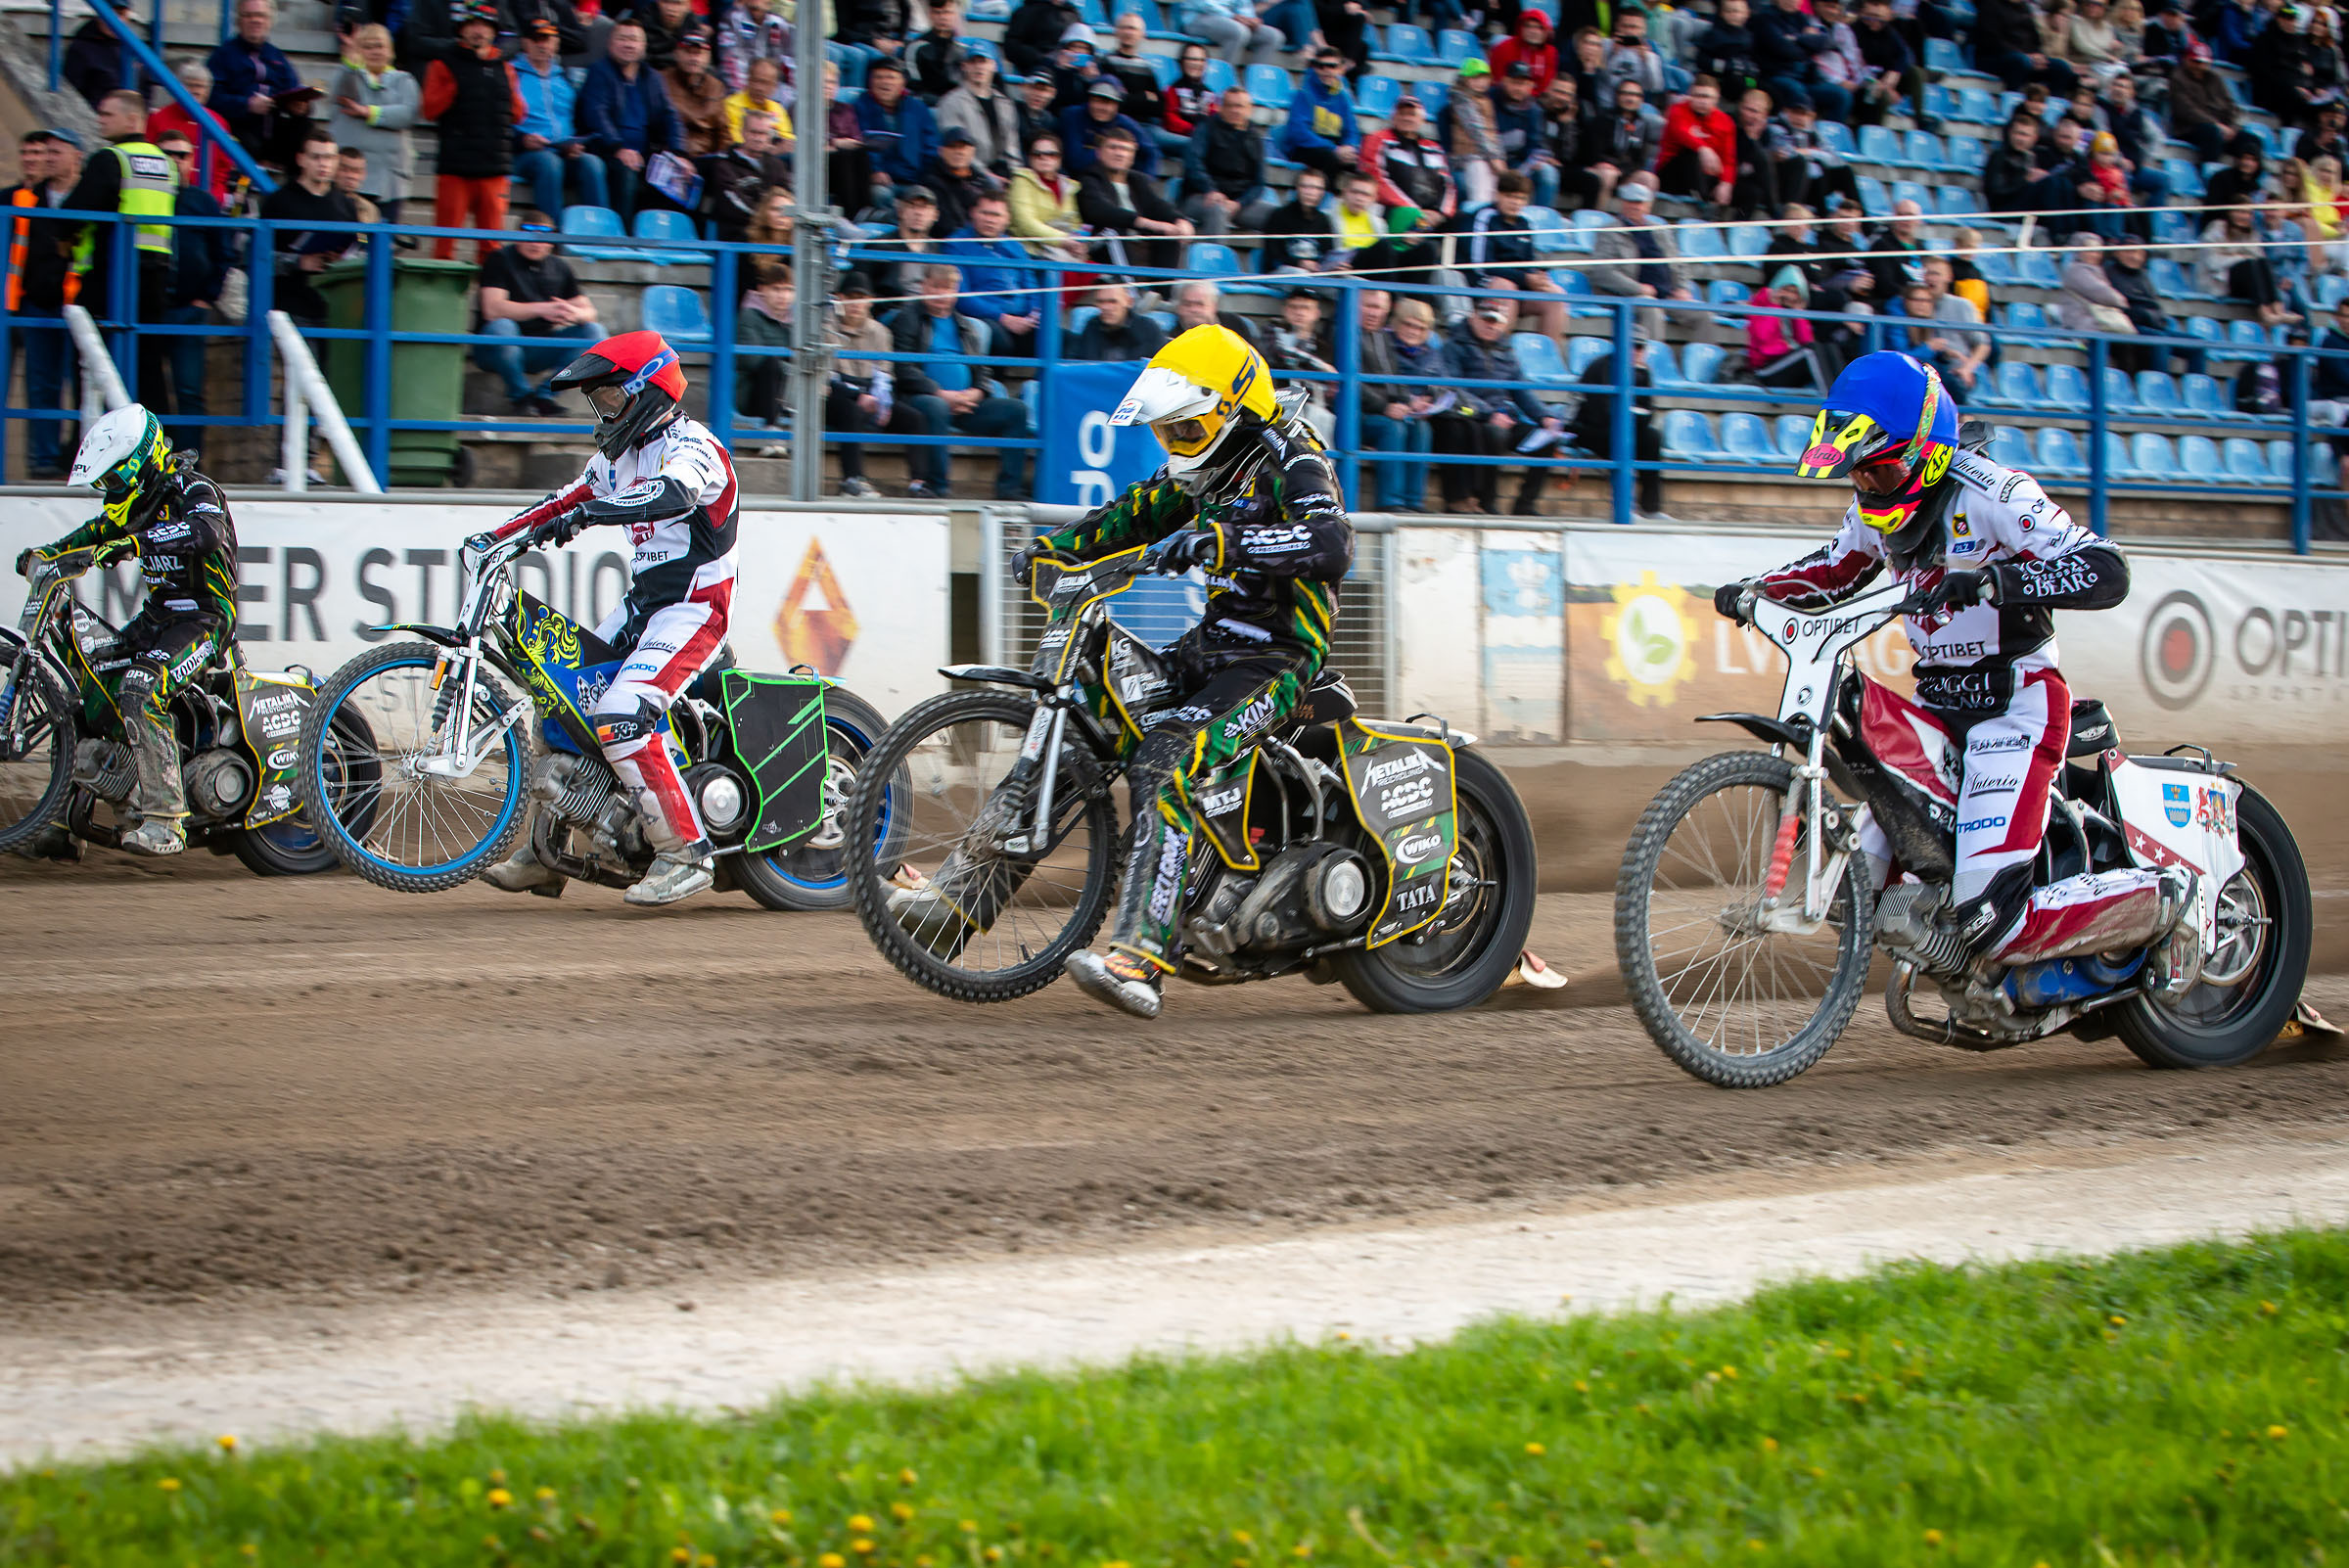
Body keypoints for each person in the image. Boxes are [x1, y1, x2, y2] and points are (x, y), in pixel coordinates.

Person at [1715, 351, 2194, 988]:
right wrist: (1755, 589)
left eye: (1881, 469)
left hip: (2016, 704)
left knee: (1987, 917)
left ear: (1924, 450)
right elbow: (1831, 572)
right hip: (1938, 710)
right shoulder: (1872, 505)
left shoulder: (1996, 493)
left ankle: (2161, 902)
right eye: (1859, 475)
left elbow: (2107, 569)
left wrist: (1998, 581)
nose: (1869, 486)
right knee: (1860, 887)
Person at [974, 327, 1352, 1019]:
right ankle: (958, 908)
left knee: (1167, 761)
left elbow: (1331, 545)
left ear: (1236, 404)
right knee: (1094, 718)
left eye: (1190, 426)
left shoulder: (1294, 457)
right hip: (1208, 648)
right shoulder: (1209, 469)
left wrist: (1226, 538)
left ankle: (1143, 960)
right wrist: (1053, 549)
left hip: (1280, 657)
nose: (1179, 441)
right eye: (1170, 430)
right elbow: (1133, 515)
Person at [474, 331, 742, 907]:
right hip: (644, 605)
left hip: (697, 609)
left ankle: (685, 852)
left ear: (646, 390)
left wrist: (592, 513)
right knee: (560, 695)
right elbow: (562, 502)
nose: (603, 412)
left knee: (622, 713)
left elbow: (669, 495)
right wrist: (493, 540)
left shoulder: (696, 448)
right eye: (598, 402)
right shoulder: (616, 458)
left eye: (611, 399)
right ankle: (552, 854)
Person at [15, 405, 235, 853]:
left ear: (141, 461)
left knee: (138, 688)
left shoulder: (195, 489)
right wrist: (46, 554)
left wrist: (135, 543)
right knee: (82, 692)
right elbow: (91, 535)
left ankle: (167, 820)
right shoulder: (135, 504)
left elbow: (206, 532)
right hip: (158, 618)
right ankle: (61, 827)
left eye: (113, 480)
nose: (109, 491)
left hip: (206, 618)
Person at [64, 91, 178, 409]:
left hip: (109, 275)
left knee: (93, 366)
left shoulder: (110, 159)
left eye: (107, 114)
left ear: (132, 119)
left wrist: (62, 237)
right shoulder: (168, 164)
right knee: (149, 368)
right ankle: (157, 449)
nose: (100, 119)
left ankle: (94, 447)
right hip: (155, 277)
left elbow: (75, 211)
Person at [888, 263, 1034, 499]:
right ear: (924, 287)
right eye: (935, 287)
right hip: (924, 399)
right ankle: (938, 486)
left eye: (947, 289)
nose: (941, 294)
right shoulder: (907, 319)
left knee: (1016, 410)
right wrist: (940, 393)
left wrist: (977, 392)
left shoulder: (965, 325)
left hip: (966, 403)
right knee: (935, 408)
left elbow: (981, 371)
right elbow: (903, 369)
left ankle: (1009, 489)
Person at [1433, 300, 1565, 515]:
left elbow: (1521, 390)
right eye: (1486, 319)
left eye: (1497, 322)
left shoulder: (1506, 350)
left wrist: (1545, 418)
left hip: (1503, 417)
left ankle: (1525, 503)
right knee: (1493, 434)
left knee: (1548, 439)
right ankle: (1487, 501)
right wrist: (1489, 414)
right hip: (1472, 416)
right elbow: (1454, 389)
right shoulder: (1454, 347)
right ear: (1473, 317)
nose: (1491, 326)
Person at [9, 129, 86, 481]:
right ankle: (43, 459)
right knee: (42, 384)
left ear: (76, 157)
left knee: (82, 384)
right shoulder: (28, 198)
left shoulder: (87, 196)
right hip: (36, 303)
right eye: (46, 152)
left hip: (78, 305)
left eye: (56, 151)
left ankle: (79, 458)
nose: (48, 158)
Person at [149, 131, 229, 463]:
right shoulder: (148, 198)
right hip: (149, 310)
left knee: (189, 390)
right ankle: (153, 465)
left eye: (182, 155)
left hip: (188, 311)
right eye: (168, 154)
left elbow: (224, 252)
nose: (175, 161)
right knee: (149, 395)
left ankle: (190, 465)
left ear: (192, 160)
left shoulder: (202, 201)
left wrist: (207, 296)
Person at [421, 7, 525, 255]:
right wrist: (459, 86)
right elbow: (429, 109)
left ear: (493, 31)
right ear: (461, 30)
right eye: (472, 25)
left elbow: (519, 113)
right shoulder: (442, 64)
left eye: (485, 26)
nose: (478, 31)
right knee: (445, 244)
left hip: (494, 169)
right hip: (456, 169)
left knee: (491, 247)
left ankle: (490, 295)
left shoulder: (506, 68)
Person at [474, 211, 601, 413]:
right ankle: (522, 397)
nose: (536, 242)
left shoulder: (559, 266)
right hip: (495, 349)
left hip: (539, 348)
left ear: (552, 240)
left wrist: (573, 313)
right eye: (529, 232)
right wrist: (543, 308)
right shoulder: (499, 258)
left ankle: (545, 396)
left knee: (595, 333)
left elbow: (590, 313)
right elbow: (492, 310)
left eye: (544, 235)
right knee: (502, 326)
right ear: (518, 234)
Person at [578, 20, 686, 218]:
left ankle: (663, 241)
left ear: (643, 46)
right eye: (623, 38)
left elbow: (670, 115)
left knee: (679, 176)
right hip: (606, 151)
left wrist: (679, 154)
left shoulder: (652, 77)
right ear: (611, 43)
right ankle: (623, 238)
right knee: (627, 171)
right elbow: (597, 113)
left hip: (644, 154)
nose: (628, 45)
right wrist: (618, 147)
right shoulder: (599, 71)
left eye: (634, 40)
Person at [330, 23, 419, 226]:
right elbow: (344, 97)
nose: (375, 51)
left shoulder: (404, 80)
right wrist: (351, 66)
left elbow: (408, 113)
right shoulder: (347, 75)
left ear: (390, 51)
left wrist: (369, 112)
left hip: (390, 181)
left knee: (381, 244)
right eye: (367, 47)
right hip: (349, 177)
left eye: (380, 46)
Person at [823, 277, 903, 497]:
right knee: (851, 411)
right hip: (833, 395)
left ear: (871, 301)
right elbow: (827, 378)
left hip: (870, 394)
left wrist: (883, 402)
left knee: (916, 417)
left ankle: (922, 484)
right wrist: (859, 395)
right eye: (850, 298)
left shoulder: (881, 332)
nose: (856, 304)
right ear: (839, 299)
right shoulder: (826, 328)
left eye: (862, 299)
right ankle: (852, 479)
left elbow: (884, 373)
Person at [1571, 336, 1664, 518]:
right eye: (1634, 346)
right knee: (1623, 439)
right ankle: (1623, 508)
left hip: (1623, 427)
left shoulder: (1643, 373)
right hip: (1587, 428)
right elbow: (1601, 413)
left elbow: (1648, 410)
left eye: (1641, 347)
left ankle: (1650, 508)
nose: (1638, 351)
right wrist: (1634, 417)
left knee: (1652, 437)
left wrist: (1633, 417)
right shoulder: (1602, 367)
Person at [1078, 125, 1192, 272]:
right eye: (1113, 147)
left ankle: (1161, 293)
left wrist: (1180, 220)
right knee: (1114, 230)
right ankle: (1131, 291)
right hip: (1102, 243)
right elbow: (1100, 210)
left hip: (1137, 241)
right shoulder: (1089, 179)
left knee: (1169, 235)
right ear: (1099, 153)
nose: (1120, 154)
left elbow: (1156, 205)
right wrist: (1146, 223)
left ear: (1132, 157)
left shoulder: (1137, 180)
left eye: (1126, 150)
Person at [943, 192, 1042, 355]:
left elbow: (1032, 287)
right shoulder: (956, 245)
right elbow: (960, 295)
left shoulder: (1015, 247)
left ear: (1007, 219)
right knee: (1000, 340)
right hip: (987, 318)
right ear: (973, 213)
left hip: (1023, 320)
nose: (990, 219)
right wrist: (1002, 318)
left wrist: (1033, 316)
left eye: (996, 215)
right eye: (985, 213)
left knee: (1059, 338)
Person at [1590, 180, 1691, 342]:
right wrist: (1637, 288)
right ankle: (1651, 361)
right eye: (1630, 202)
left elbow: (1679, 262)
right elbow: (1602, 271)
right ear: (1622, 203)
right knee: (1651, 308)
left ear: (1648, 206)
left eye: (1639, 202)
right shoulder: (1609, 232)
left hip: (1667, 294)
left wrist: (1682, 288)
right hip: (1630, 295)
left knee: (1701, 314)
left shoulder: (1660, 231)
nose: (1635, 206)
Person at [207, 0, 304, 164]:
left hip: (275, 127)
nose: (255, 20)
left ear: (269, 21)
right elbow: (211, 97)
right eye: (249, 15)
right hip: (239, 128)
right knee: (246, 140)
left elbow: (294, 88)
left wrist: (302, 107)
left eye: (261, 16)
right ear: (239, 21)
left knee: (304, 127)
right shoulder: (223, 56)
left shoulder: (277, 56)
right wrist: (247, 105)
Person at [1182, 87, 1272, 234]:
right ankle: (1215, 256)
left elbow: (1259, 182)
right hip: (1202, 197)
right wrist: (1211, 190)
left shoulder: (1255, 138)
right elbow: (1193, 164)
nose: (1235, 111)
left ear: (1249, 110)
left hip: (1238, 203)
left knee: (1279, 216)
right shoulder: (1205, 129)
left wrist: (1240, 203)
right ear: (1221, 108)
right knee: (1217, 210)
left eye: (1240, 106)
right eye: (1230, 105)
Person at [148, 59, 236, 202]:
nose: (195, 90)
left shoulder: (219, 122)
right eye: (190, 85)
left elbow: (223, 167)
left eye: (200, 86)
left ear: (208, 91)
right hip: (165, 194)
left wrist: (215, 196)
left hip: (207, 196)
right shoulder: (158, 118)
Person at [855, 59, 939, 207]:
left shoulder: (918, 109)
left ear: (903, 82)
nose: (884, 82)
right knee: (879, 194)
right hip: (881, 182)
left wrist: (926, 177)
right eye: (878, 77)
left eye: (891, 77)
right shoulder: (860, 107)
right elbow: (859, 145)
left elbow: (931, 147)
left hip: (916, 180)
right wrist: (875, 171)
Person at [702, 112, 790, 241]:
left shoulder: (776, 165)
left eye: (763, 133)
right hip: (737, 237)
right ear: (742, 132)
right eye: (753, 132)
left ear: (770, 137)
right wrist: (766, 217)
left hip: (773, 234)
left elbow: (786, 196)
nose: (758, 138)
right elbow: (732, 204)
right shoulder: (723, 163)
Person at [733, 259, 795, 445]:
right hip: (752, 393)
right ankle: (771, 433)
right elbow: (752, 360)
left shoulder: (797, 321)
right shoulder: (749, 315)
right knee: (771, 363)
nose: (783, 296)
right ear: (762, 289)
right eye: (776, 289)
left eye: (788, 290)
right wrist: (793, 370)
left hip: (787, 389)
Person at [938, 50, 1024, 176]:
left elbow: (1013, 148)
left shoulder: (1005, 103)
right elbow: (957, 150)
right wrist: (988, 176)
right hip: (970, 174)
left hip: (1004, 172)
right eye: (973, 62)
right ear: (964, 66)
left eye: (984, 62)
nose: (979, 67)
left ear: (994, 66)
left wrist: (1016, 175)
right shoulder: (951, 102)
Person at [1656, 72, 1736, 205]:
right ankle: (1704, 204)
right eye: (1697, 96)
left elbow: (1728, 159)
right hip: (1672, 174)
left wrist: (1726, 183)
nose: (1702, 101)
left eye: (1707, 97)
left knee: (1750, 190)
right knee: (1691, 154)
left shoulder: (1725, 121)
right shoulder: (1677, 110)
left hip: (1706, 176)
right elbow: (1681, 133)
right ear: (1690, 96)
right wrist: (1703, 149)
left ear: (1716, 98)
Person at [1280, 50, 1361, 179]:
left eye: (1332, 66)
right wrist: (1334, 149)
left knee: (1362, 162)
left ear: (1341, 69)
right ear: (1315, 68)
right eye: (1321, 66)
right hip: (1305, 146)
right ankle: (1327, 198)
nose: (1326, 70)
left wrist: (1349, 147)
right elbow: (1299, 133)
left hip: (1332, 146)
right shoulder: (1304, 93)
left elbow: (1351, 129)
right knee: (1329, 158)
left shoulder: (1343, 96)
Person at [1748, 263, 1824, 389]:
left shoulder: (1793, 311)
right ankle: (1832, 398)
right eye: (1786, 290)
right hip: (1766, 369)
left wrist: (1798, 313)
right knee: (1811, 350)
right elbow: (1763, 338)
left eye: (1795, 292)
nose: (1790, 296)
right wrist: (1774, 305)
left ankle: (1844, 396)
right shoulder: (1761, 305)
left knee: (1828, 349)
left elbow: (1805, 340)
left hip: (1787, 364)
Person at [664, 27, 731, 159]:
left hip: (708, 158)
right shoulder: (661, 81)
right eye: (688, 52)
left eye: (699, 53)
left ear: (708, 57)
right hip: (672, 154)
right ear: (676, 53)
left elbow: (723, 131)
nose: (694, 58)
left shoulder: (716, 86)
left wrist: (727, 159)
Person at [923, 126, 1005, 233]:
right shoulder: (931, 181)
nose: (959, 152)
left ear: (972, 151)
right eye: (952, 147)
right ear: (941, 151)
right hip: (953, 242)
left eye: (963, 147)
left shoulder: (983, 181)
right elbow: (944, 224)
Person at [2167, 41, 2239, 162]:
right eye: (2195, 61)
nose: (2199, 66)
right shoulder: (2177, 78)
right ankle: (2209, 170)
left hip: (2221, 129)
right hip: (2190, 129)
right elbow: (2186, 110)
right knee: (2212, 132)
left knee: (2248, 139)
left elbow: (2231, 105)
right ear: (2186, 59)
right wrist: (2216, 125)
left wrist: (2232, 127)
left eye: (2203, 63)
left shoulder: (2215, 79)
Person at [1261, 165, 1339, 271]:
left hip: (1315, 274)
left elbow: (1327, 254)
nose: (1310, 192)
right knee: (1300, 273)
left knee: (1347, 280)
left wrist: (1334, 266)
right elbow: (1273, 255)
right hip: (1283, 272)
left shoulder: (1323, 220)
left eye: (1317, 188)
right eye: (1305, 186)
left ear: (1322, 193)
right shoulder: (1279, 215)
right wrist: (1299, 263)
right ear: (1297, 188)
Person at [1072, 281, 1170, 359]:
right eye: (1101, 302)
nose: (1106, 307)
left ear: (1129, 302)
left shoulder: (1148, 328)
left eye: (1113, 302)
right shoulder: (1092, 326)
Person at [724, 57, 793, 149]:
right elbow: (736, 140)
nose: (758, 88)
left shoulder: (778, 109)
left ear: (774, 86)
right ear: (748, 80)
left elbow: (788, 138)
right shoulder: (730, 105)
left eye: (765, 83)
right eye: (755, 81)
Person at [1491, 7, 1562, 90]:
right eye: (1528, 26)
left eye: (1539, 28)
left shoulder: (1551, 53)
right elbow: (1498, 81)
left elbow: (1546, 85)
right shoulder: (1504, 48)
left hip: (1537, 99)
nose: (1533, 31)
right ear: (1520, 28)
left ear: (1546, 32)